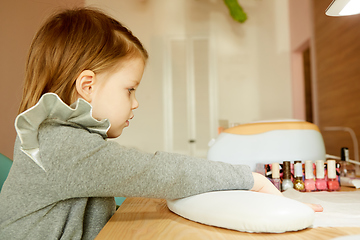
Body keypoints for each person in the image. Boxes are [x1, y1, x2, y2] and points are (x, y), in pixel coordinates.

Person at [0, 8, 322, 240]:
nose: (135, 102)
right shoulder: (60, 146)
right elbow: (153, 171)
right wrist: (251, 180)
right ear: (87, 86)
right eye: (130, 89)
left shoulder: (62, 139)